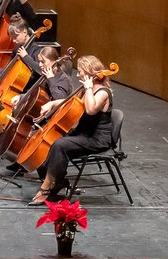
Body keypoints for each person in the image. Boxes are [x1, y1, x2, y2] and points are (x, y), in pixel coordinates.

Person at [29, 55, 115, 204]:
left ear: (89, 72)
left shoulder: (102, 92)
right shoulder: (88, 89)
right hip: (84, 133)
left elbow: (90, 109)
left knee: (60, 145)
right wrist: (52, 104)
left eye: (80, 71)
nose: (77, 74)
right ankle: (57, 181)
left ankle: (47, 187)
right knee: (50, 140)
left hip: (96, 139)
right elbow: (73, 102)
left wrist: (88, 88)